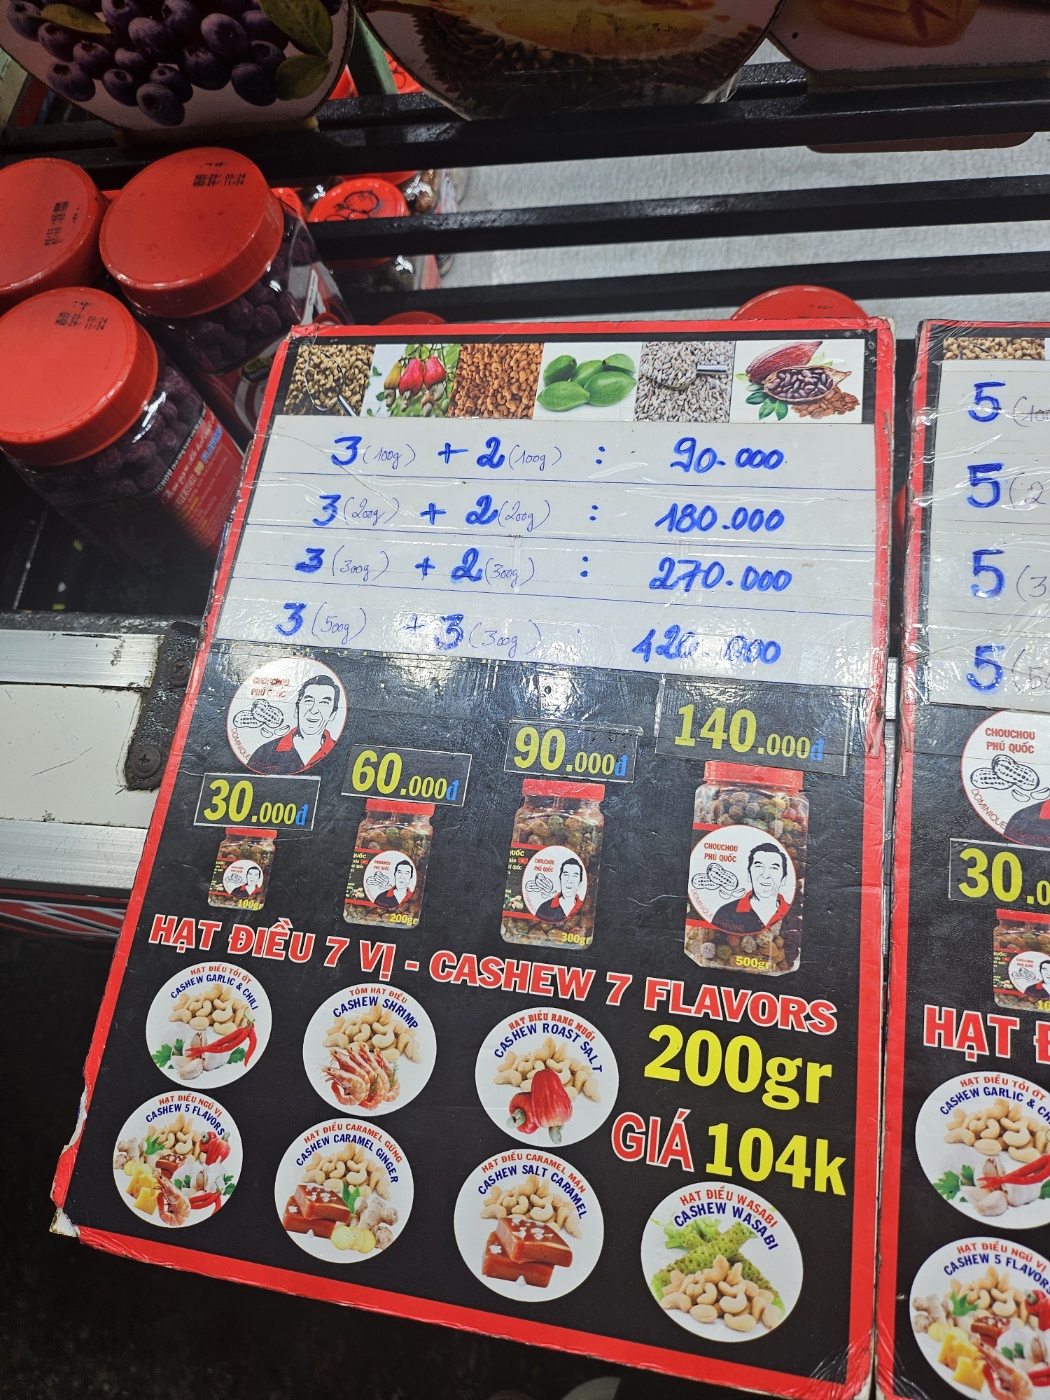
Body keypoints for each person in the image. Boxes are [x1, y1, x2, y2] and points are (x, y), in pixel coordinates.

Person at [249, 675, 341, 774]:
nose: (314, 710)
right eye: (309, 701)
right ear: (297, 710)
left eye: (324, 703)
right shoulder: (265, 752)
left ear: (332, 714)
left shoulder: (340, 752)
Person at [710, 843, 791, 934]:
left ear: (783, 879)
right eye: (759, 866)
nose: (765, 875)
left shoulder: (791, 913)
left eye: (773, 868)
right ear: (749, 875)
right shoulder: (725, 912)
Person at [530, 856, 585, 923]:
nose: (569, 881)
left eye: (575, 876)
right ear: (560, 880)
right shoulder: (544, 907)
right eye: (566, 875)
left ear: (580, 884)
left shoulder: (584, 906)